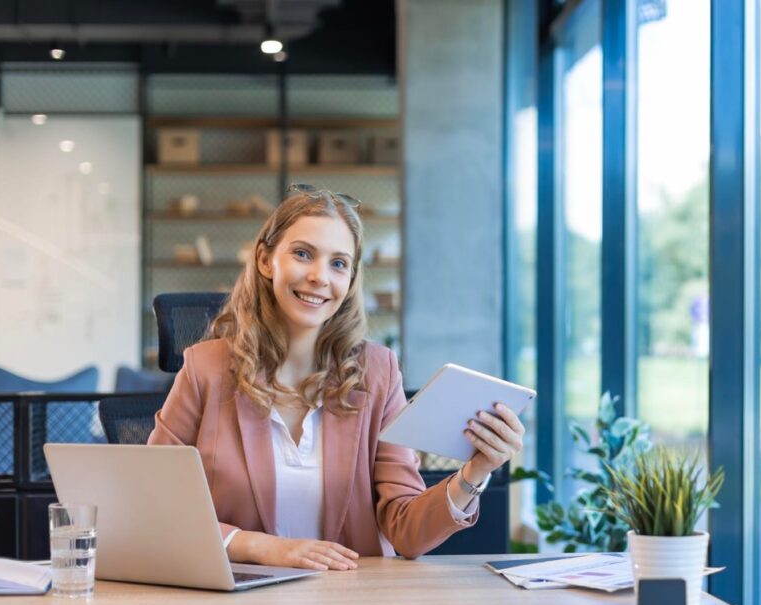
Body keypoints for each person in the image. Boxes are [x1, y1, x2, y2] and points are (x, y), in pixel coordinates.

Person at [148, 185, 525, 570]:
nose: (319, 277)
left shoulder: (377, 373)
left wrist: (475, 472)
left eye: (338, 264)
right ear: (265, 260)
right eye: (302, 254)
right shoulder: (205, 369)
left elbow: (407, 533)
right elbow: (153, 503)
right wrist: (260, 547)